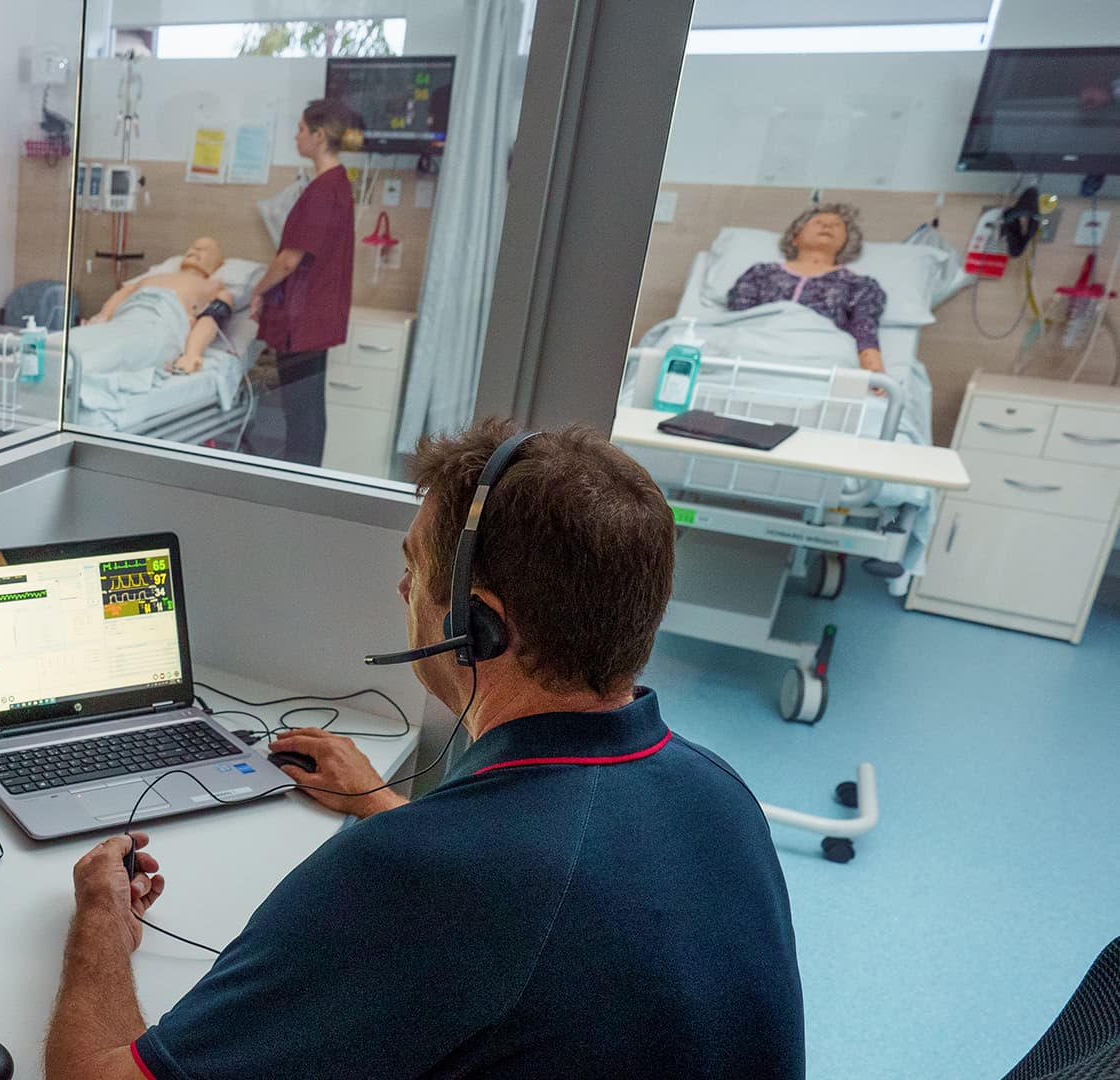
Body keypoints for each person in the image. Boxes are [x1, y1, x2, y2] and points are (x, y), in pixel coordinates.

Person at [44, 420, 805, 1079]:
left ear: (479, 626)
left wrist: (101, 920)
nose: (402, 587)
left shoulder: (416, 876)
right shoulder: (719, 793)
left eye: (415, 567)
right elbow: (555, 898)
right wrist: (381, 803)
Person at [249, 99, 360, 466]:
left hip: (304, 318)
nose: (296, 137)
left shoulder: (324, 190)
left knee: (301, 409)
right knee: (309, 405)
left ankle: (300, 478)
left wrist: (257, 289)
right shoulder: (335, 185)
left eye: (300, 129)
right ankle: (307, 475)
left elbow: (287, 260)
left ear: (319, 135)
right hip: (315, 315)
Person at [727, 202, 887, 378]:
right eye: (818, 222)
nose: (827, 226)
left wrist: (875, 372)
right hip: (756, 345)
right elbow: (739, 318)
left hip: (823, 353)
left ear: (846, 242)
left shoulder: (860, 285)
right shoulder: (761, 273)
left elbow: (864, 329)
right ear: (795, 237)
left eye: (836, 225)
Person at [82, 237, 236, 375]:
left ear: (217, 263)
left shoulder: (214, 288)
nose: (194, 250)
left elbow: (210, 321)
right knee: (72, 343)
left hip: (160, 328)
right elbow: (124, 292)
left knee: (99, 357)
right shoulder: (155, 277)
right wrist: (102, 316)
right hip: (123, 321)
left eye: (204, 249)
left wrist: (192, 354)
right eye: (193, 247)